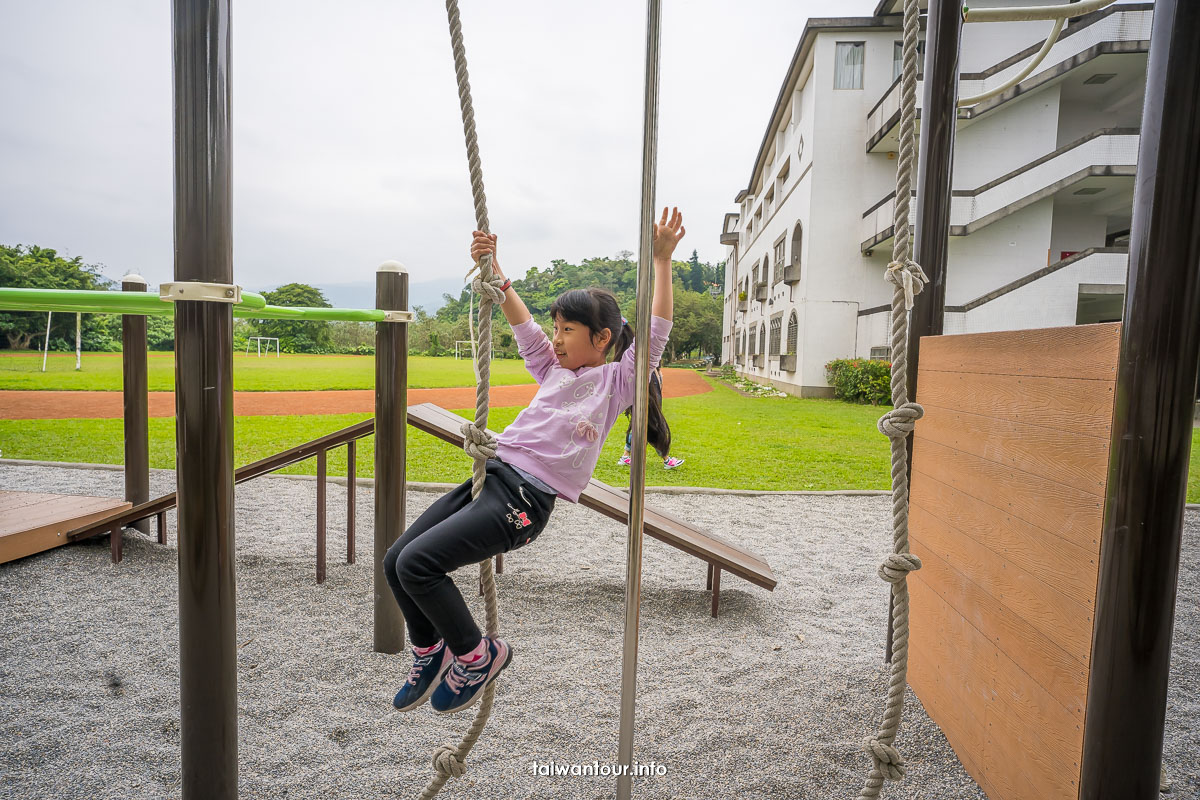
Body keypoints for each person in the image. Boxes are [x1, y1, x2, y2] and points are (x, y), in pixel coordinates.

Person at [383, 207, 685, 715]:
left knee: (419, 564)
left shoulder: (616, 383)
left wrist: (661, 263)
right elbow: (520, 322)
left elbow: (655, 332)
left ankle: (477, 656)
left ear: (602, 338)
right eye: (556, 328)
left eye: (567, 329)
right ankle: (430, 648)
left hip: (524, 501)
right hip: (495, 475)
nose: (557, 338)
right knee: (397, 561)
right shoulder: (551, 369)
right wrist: (494, 269)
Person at [617, 363, 684, 470]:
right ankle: (666, 458)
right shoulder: (647, 369)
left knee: (639, 429)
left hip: (652, 405)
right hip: (647, 405)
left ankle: (625, 455)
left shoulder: (655, 370)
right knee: (653, 429)